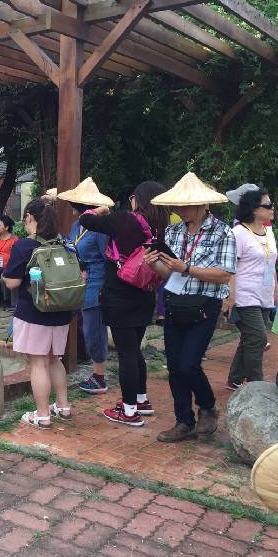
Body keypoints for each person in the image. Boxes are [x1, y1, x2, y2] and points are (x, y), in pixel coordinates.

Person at [146, 172, 236, 443]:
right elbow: (169, 273)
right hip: (176, 302)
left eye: (187, 205)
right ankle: (183, 421)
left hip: (205, 304)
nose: (181, 210)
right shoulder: (173, 232)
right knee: (174, 366)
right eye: (179, 205)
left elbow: (224, 274)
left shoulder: (222, 232)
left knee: (189, 363)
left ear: (203, 205)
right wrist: (154, 263)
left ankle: (207, 407)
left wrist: (186, 268)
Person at [79, 181, 169, 426]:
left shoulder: (124, 219)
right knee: (134, 350)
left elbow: (87, 221)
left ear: (138, 199)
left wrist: (99, 210)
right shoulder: (160, 228)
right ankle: (140, 399)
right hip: (145, 294)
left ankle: (129, 411)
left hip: (120, 295)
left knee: (127, 353)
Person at [3, 199, 73, 426]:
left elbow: (12, 283)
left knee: (38, 363)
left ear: (30, 217)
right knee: (54, 360)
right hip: (62, 310)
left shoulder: (24, 246)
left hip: (34, 313)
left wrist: (5, 276)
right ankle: (63, 406)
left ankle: (42, 415)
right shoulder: (66, 243)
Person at [58, 177, 114, 395]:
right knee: (84, 326)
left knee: (94, 329)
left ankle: (99, 375)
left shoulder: (100, 228)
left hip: (96, 281)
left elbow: (107, 258)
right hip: (81, 281)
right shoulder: (76, 226)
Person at [223, 187, 278, 389]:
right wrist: (230, 296)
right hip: (244, 294)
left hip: (264, 292)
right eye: (268, 205)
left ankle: (235, 378)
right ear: (254, 209)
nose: (272, 208)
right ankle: (257, 386)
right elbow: (230, 268)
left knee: (250, 338)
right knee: (258, 338)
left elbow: (271, 261)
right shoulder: (238, 233)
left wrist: (276, 287)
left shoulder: (268, 231)